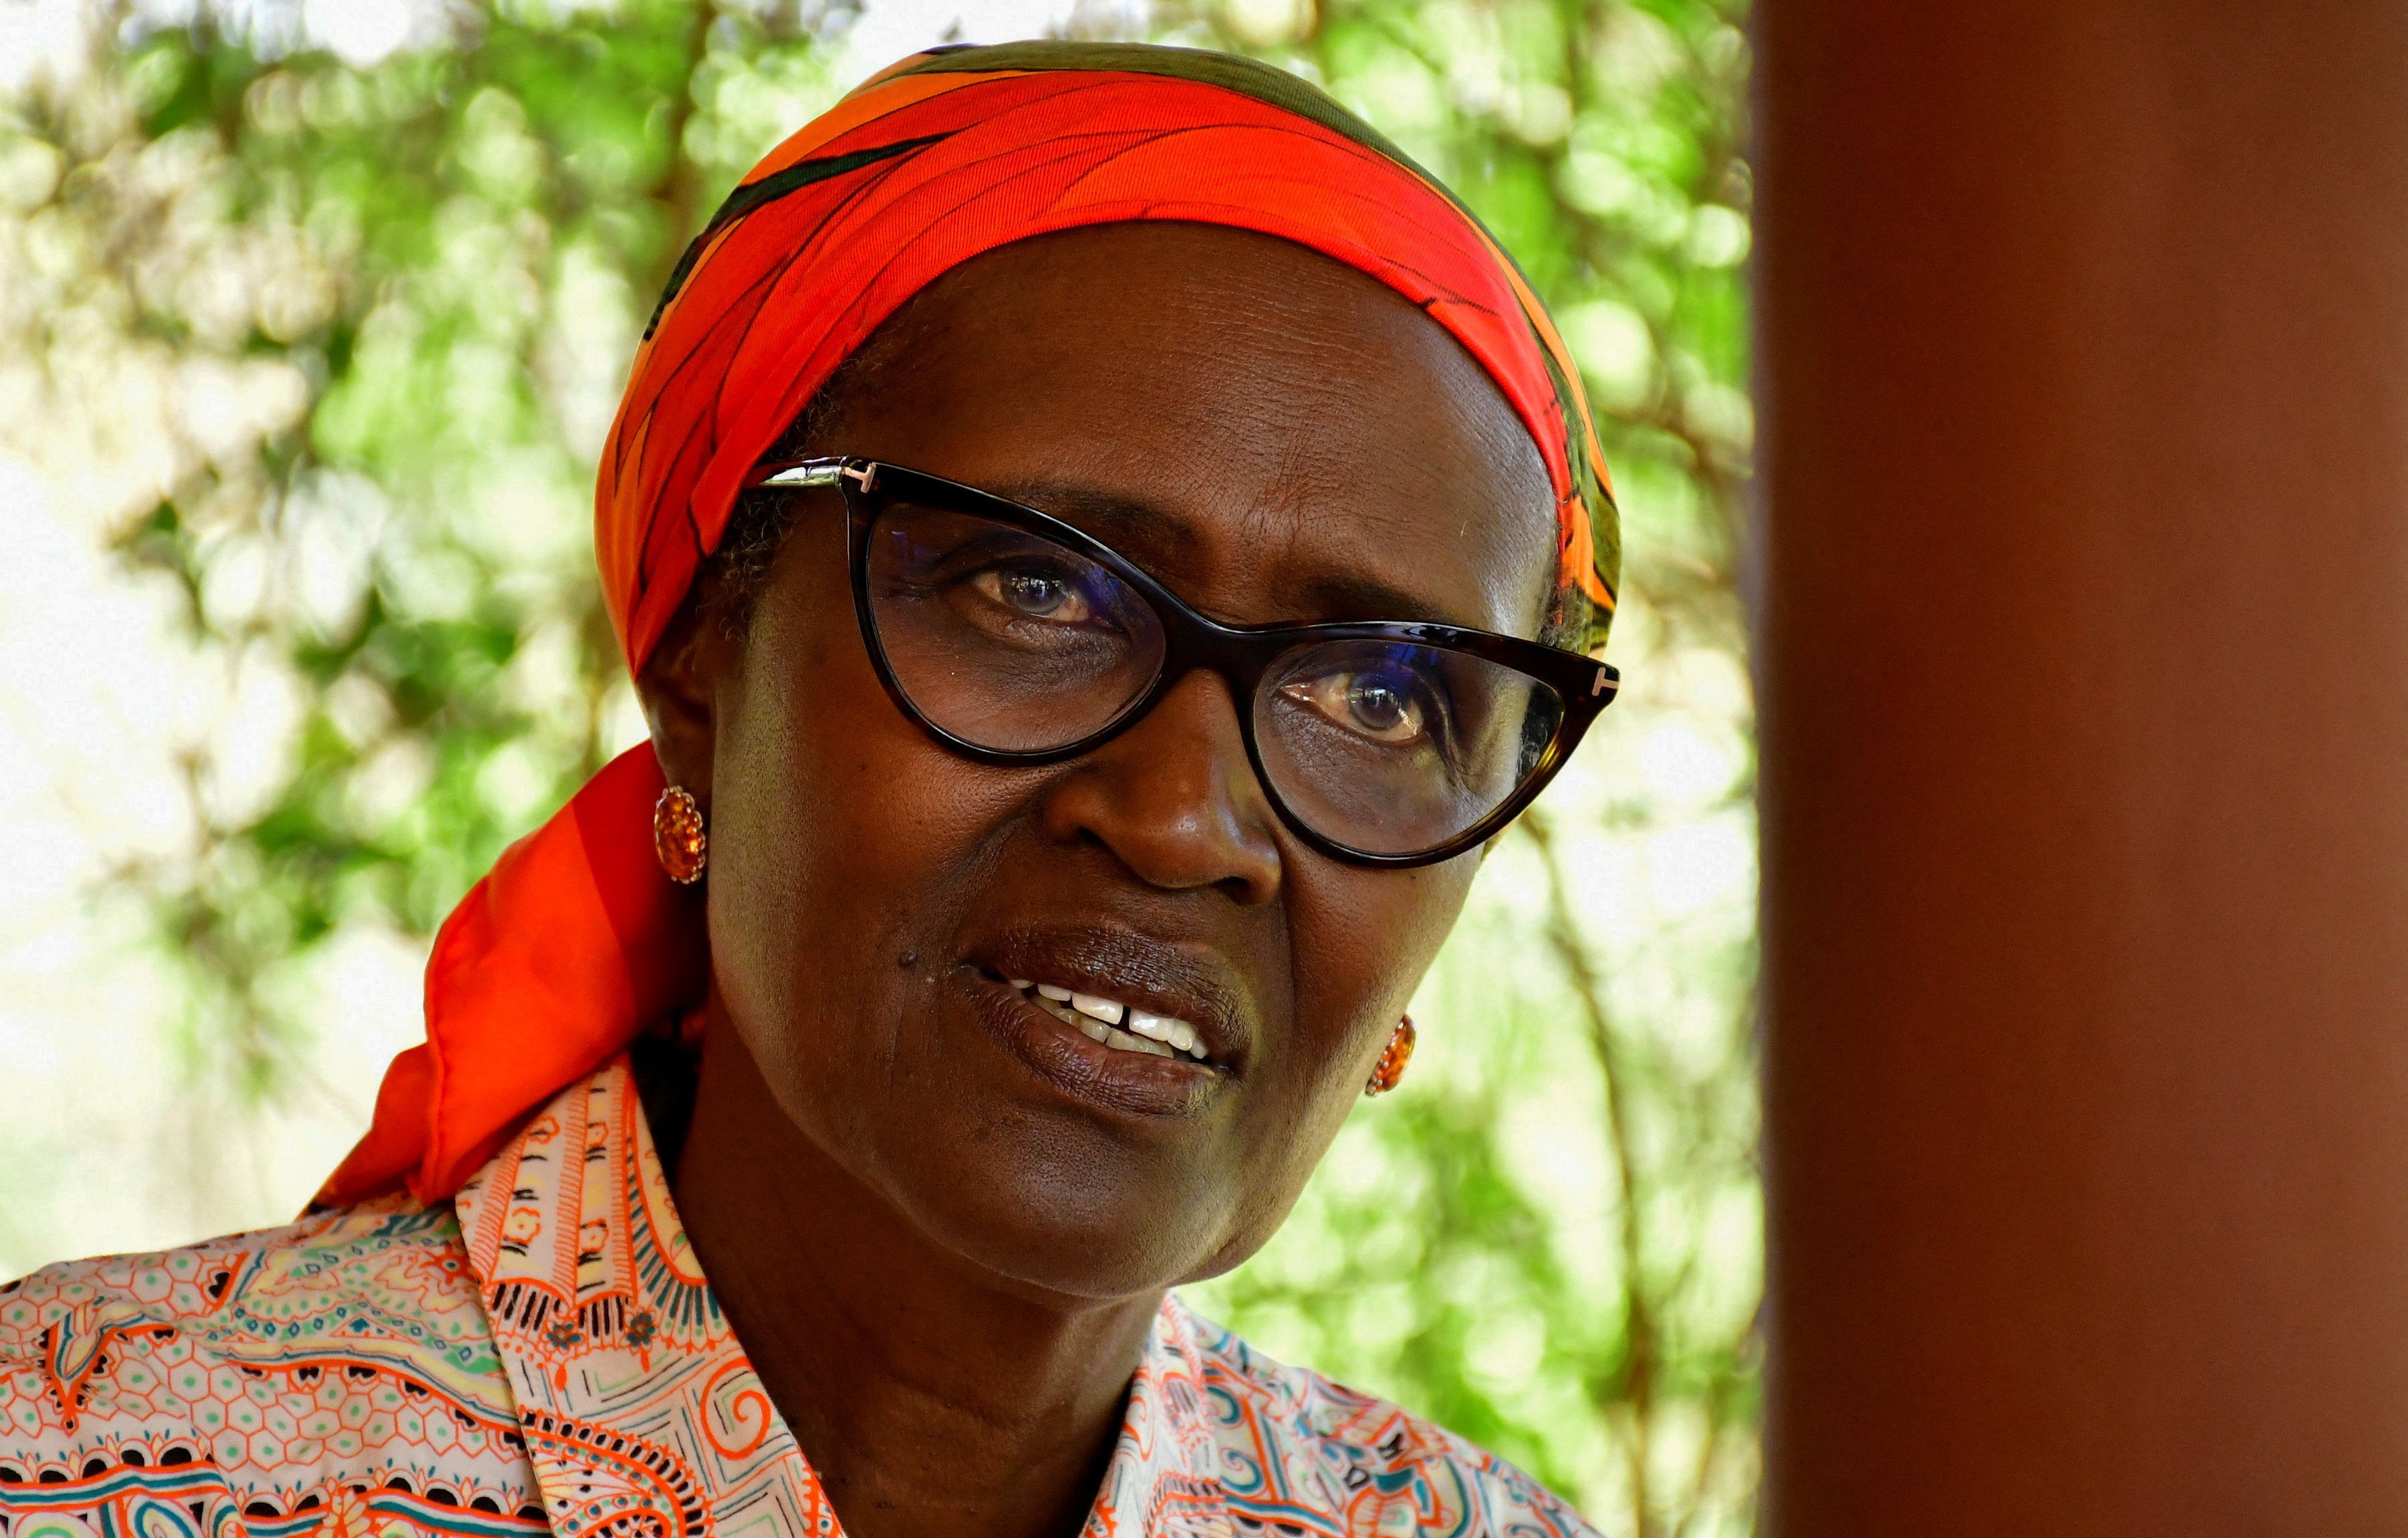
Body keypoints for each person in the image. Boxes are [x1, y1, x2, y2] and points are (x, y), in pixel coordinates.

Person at [0, 41, 1622, 1538]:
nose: (1182, 816)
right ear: (703, 661)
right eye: (1034, 589)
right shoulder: (81, 1463)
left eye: (1378, 696)